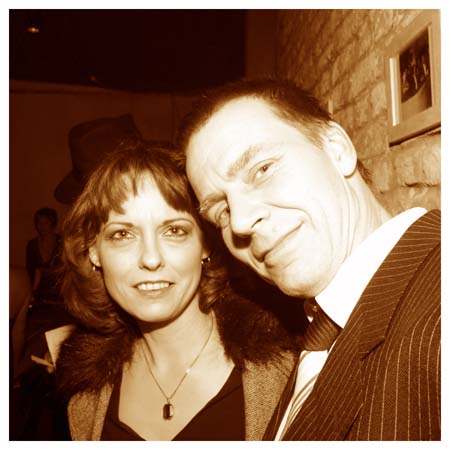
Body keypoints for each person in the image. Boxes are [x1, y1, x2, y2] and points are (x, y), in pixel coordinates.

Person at [176, 78, 441, 440]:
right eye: (221, 210)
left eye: (262, 170)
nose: (239, 222)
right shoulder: (319, 329)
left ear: (337, 150)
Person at [54, 139, 302, 441]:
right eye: (122, 234)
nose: (150, 259)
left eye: (174, 231)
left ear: (205, 245)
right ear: (94, 252)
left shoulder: (288, 373)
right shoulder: (85, 401)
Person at [26, 207, 63, 303]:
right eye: (39, 222)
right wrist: (31, 292)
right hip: (38, 293)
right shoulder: (32, 245)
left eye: (46, 223)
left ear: (53, 224)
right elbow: (30, 271)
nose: (41, 226)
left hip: (60, 293)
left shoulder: (62, 243)